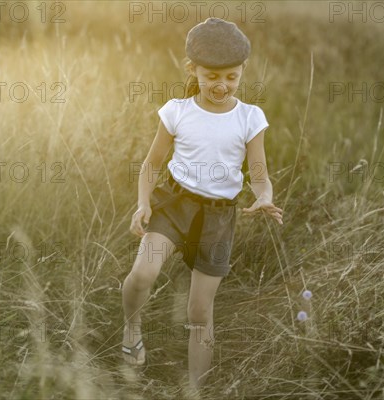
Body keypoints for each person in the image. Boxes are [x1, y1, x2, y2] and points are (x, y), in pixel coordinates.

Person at [121, 17, 283, 391]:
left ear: (242, 71)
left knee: (199, 311)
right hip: (175, 204)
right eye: (212, 76)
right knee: (143, 274)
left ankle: (196, 389)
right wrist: (143, 204)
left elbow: (259, 173)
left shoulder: (250, 118)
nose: (221, 86)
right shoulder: (177, 111)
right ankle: (131, 327)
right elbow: (151, 165)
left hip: (218, 217)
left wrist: (265, 197)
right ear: (192, 69)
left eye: (231, 77)